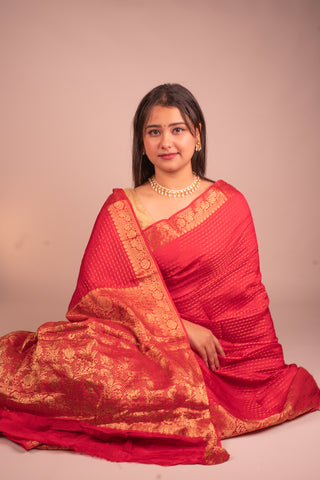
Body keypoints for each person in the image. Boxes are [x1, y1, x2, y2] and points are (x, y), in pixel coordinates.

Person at [0, 84, 319, 466]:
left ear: (197, 135)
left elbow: (244, 300)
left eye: (177, 129)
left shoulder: (229, 205)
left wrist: (203, 338)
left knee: (158, 392)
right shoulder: (122, 206)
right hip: (139, 338)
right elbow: (98, 297)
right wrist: (180, 328)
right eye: (154, 132)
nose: (166, 142)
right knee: (70, 357)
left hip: (210, 356)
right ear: (142, 141)